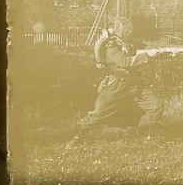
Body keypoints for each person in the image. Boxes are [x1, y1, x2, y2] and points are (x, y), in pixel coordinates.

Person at [68, 17, 163, 147]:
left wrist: (160, 51)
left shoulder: (130, 43)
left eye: (130, 28)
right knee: (97, 115)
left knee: (156, 106)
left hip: (135, 84)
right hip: (116, 84)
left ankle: (147, 136)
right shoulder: (112, 46)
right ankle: (76, 139)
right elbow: (124, 62)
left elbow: (145, 47)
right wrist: (147, 55)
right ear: (120, 30)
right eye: (126, 29)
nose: (129, 31)